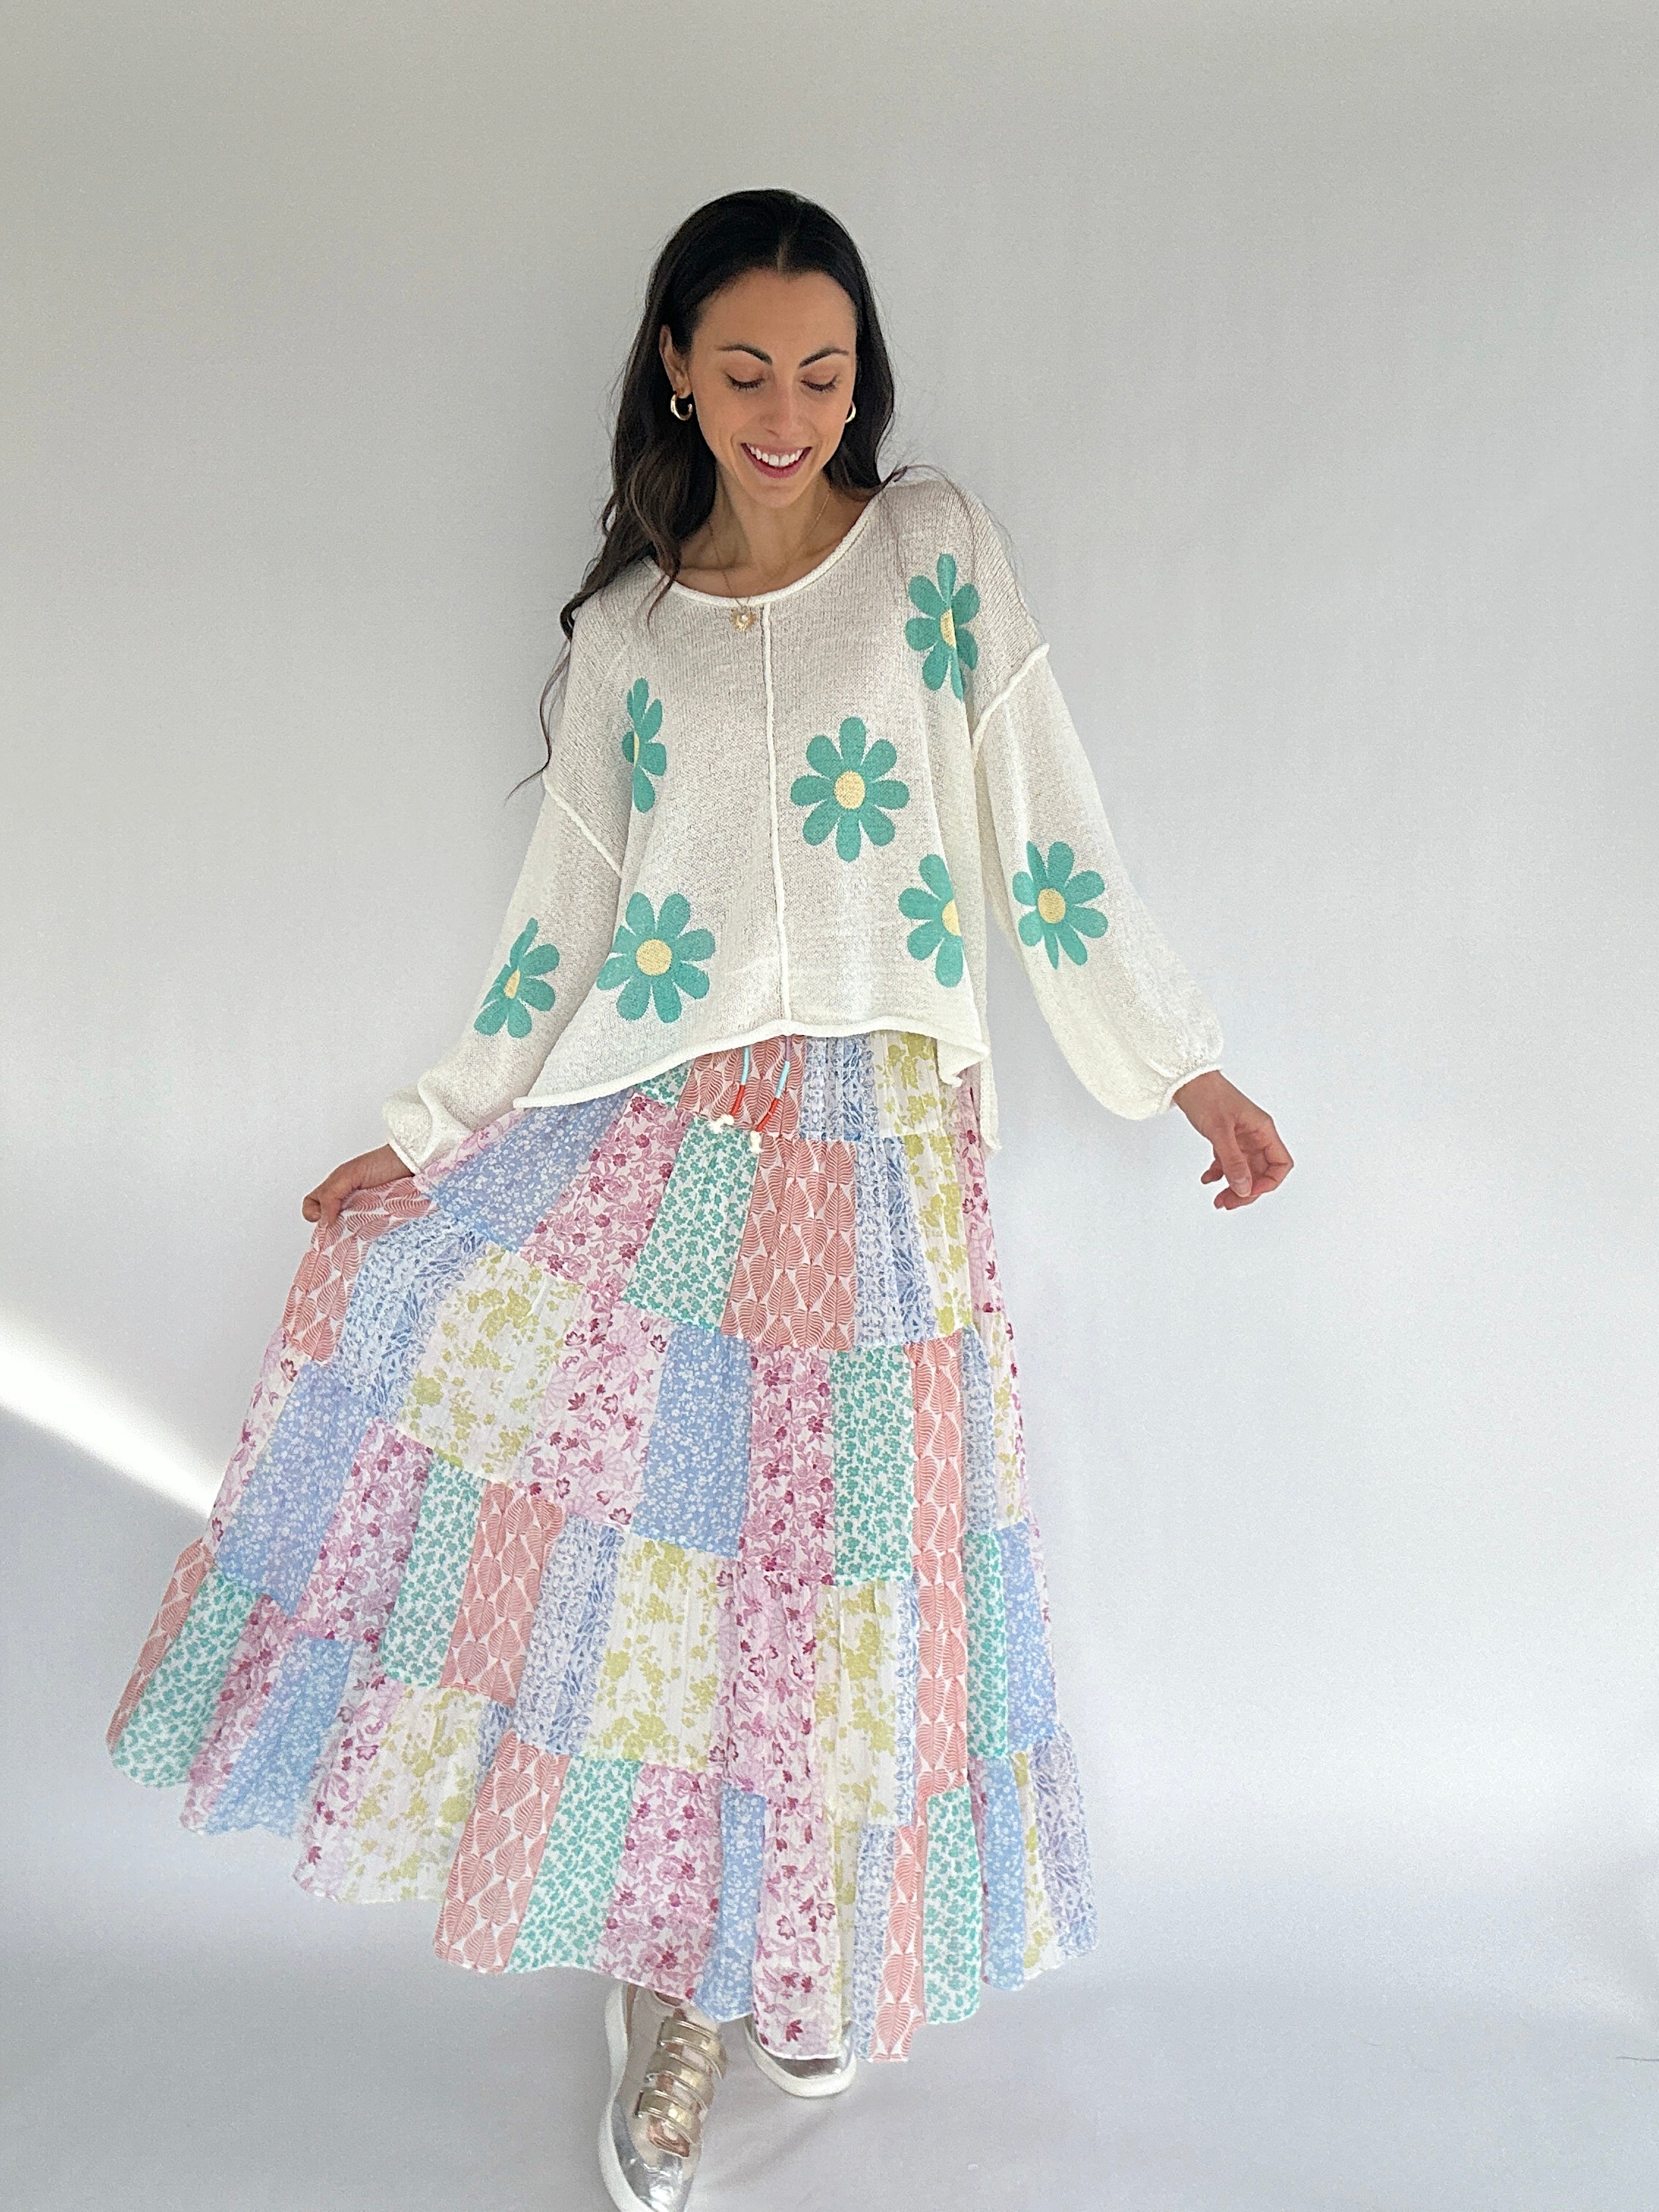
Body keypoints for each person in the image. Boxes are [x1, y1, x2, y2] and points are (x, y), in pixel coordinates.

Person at [106, 188, 1292, 2212]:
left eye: (823, 372)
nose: (786, 410)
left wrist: (1175, 1058)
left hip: (889, 1143)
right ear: (673, 366)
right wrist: (432, 1127)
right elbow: (558, 926)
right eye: (744, 368)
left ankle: (790, 1944)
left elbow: (1046, 831)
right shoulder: (629, 639)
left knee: (847, 1576)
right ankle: (671, 1984)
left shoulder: (933, 553)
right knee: (672, 1585)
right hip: (672, 1136)